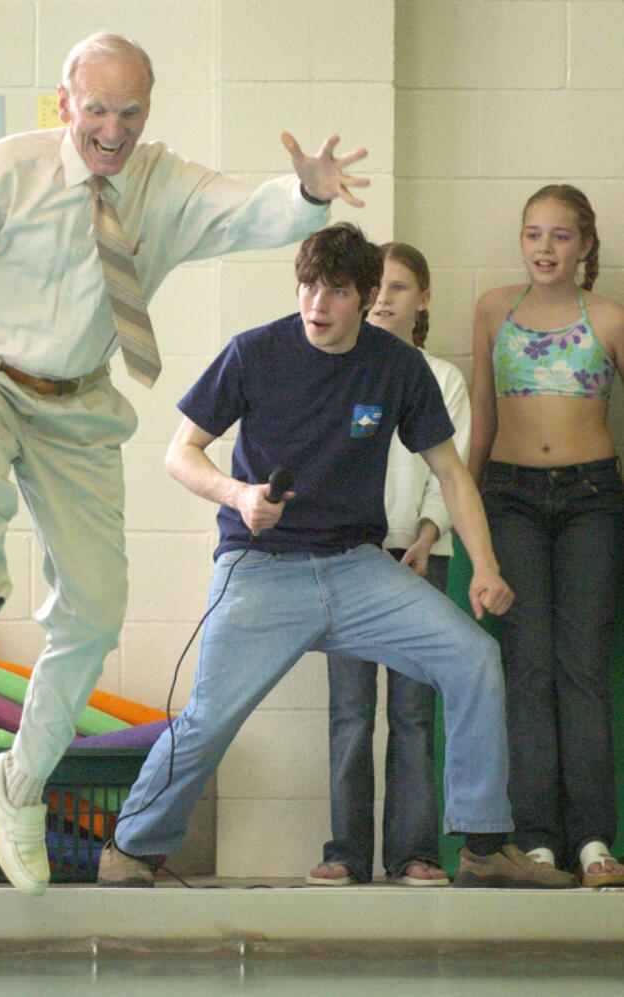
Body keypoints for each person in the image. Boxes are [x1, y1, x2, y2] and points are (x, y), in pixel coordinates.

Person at [0, 31, 369, 896]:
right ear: (65, 103)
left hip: (79, 401)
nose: (113, 129)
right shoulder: (2, 170)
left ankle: (17, 780)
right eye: (96, 110)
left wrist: (308, 193)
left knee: (96, 607)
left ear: (147, 112)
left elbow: (249, 210)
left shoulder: (162, 185)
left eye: (130, 112)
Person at [98, 222, 578, 890]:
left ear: (366, 295)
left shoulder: (396, 366)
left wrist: (487, 566)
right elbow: (180, 452)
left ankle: (481, 843)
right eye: (308, 286)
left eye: (336, 290)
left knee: (473, 656)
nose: (317, 304)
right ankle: (131, 845)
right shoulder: (254, 353)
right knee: (209, 715)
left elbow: (451, 472)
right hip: (261, 567)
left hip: (357, 567)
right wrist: (238, 495)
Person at [468, 185, 624, 887]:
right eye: (534, 234)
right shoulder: (494, 309)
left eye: (561, 236)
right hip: (510, 498)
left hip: (593, 498)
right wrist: (467, 502)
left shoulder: (612, 318)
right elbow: (481, 410)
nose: (545, 248)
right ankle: (536, 839)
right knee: (525, 670)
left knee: (582, 670)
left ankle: (593, 840)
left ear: (586, 245)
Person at [307, 243, 468, 888]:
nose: (383, 298)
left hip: (421, 560)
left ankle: (414, 854)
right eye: (376, 286)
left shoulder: (443, 378)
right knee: (350, 713)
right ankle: (346, 852)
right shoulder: (338, 374)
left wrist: (426, 537)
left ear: (422, 301)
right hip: (350, 560)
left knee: (413, 714)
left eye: (399, 288)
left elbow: (450, 473)